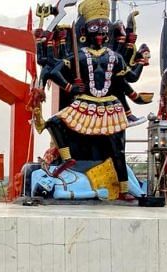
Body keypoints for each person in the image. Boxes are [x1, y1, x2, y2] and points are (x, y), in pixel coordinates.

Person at [41, 0, 149, 200]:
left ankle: (124, 190)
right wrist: (70, 87)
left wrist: (142, 60)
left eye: (103, 31)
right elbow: (54, 71)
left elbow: (131, 77)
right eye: (95, 30)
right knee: (53, 122)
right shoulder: (79, 55)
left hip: (110, 107)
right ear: (85, 32)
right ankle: (67, 160)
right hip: (84, 103)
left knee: (118, 151)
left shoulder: (115, 57)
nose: (100, 35)